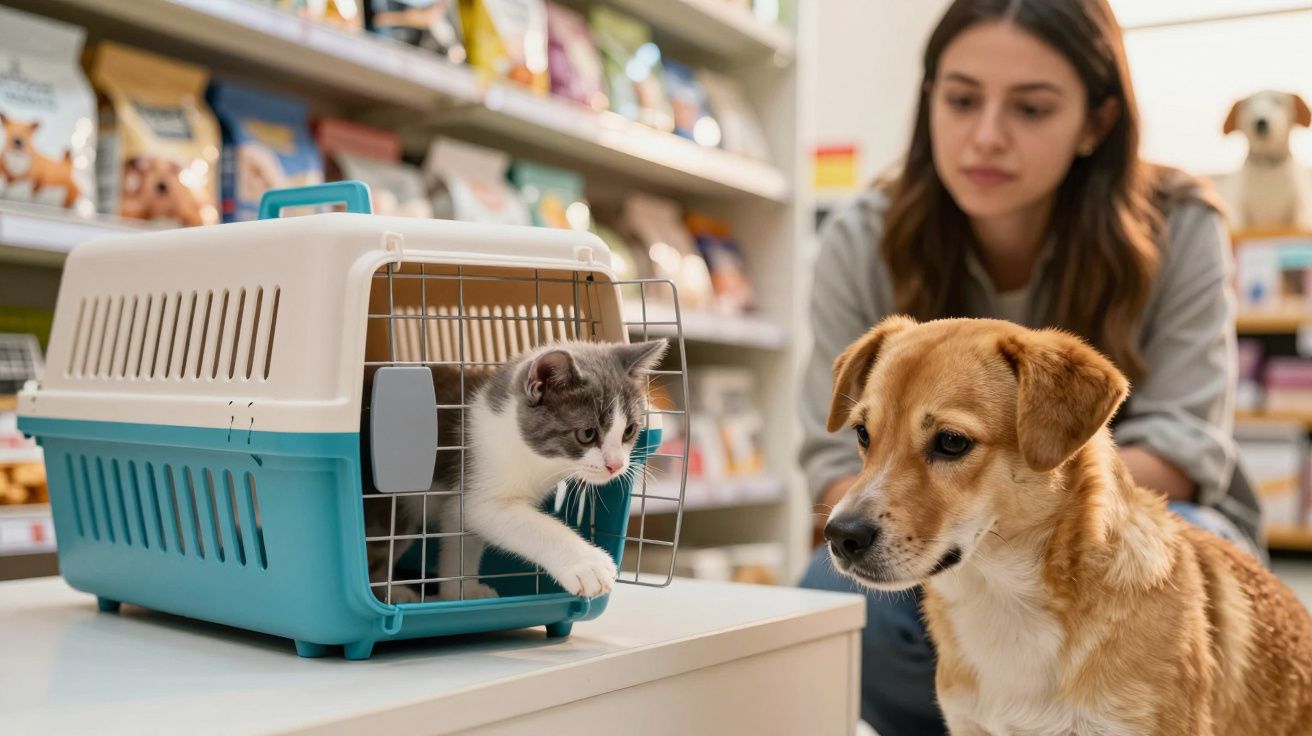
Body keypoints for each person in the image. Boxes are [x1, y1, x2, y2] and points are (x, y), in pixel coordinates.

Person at [797, 1, 1263, 734]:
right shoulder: (861, 236)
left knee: (1189, 576)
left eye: (1031, 108)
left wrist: (1030, 522)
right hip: (961, 548)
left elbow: (1184, 444)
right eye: (961, 100)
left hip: (1150, 514)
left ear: (1096, 122)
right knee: (838, 594)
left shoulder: (1180, 223)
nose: (987, 135)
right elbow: (832, 462)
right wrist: (938, 518)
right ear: (930, 101)